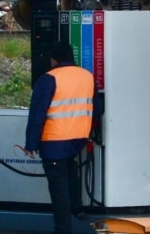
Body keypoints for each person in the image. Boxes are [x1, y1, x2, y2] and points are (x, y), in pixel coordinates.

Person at [24, 41, 95, 234]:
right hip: (78, 139)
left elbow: (37, 114)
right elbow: (95, 106)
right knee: (71, 171)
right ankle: (78, 209)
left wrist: (31, 144)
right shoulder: (87, 76)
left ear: (54, 59)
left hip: (54, 140)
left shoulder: (49, 78)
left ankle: (64, 229)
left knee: (58, 188)